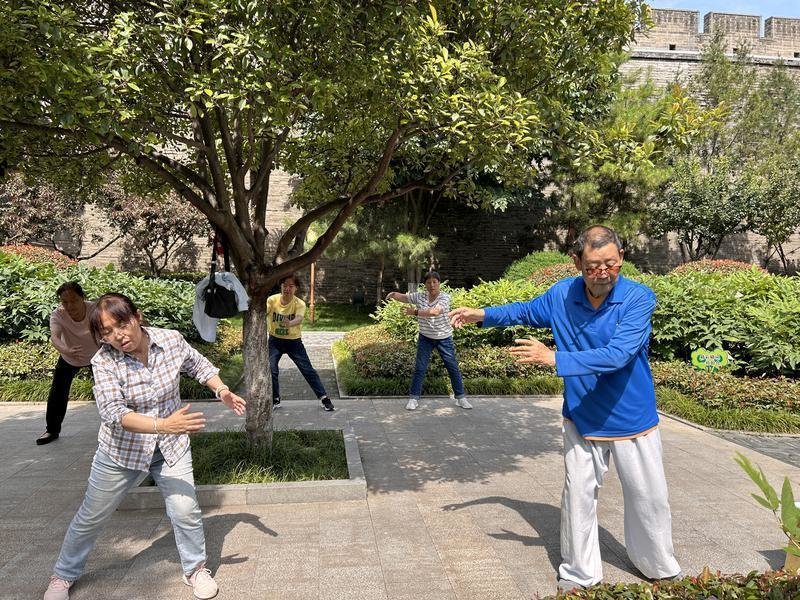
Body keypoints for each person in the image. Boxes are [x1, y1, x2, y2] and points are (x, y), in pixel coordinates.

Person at [450, 225, 682, 592]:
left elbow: (619, 355)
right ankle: (580, 573)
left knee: (647, 499)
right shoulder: (562, 295)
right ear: (576, 261)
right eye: (592, 265)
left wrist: (554, 359)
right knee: (577, 499)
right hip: (582, 416)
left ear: (621, 258)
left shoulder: (639, 298)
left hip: (631, 417)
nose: (602, 272)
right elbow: (526, 310)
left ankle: (658, 565)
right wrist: (482, 314)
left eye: (610, 264)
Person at [43, 293, 246, 600]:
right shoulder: (104, 360)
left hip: (170, 446)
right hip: (121, 451)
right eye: (106, 332)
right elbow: (113, 413)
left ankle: (195, 570)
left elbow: (198, 365)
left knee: (185, 509)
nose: (116, 336)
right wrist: (163, 425)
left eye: (121, 324)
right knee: (91, 515)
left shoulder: (171, 340)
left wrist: (222, 390)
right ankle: (62, 576)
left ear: (136, 316)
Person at [386, 270, 471, 411]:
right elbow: (405, 298)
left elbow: (435, 312)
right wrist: (393, 294)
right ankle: (413, 398)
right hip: (425, 337)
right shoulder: (420, 296)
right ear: (424, 284)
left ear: (439, 283)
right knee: (420, 368)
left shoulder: (445, 297)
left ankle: (461, 398)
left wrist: (414, 312)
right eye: (428, 282)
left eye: (434, 282)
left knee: (452, 368)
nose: (432, 285)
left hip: (444, 338)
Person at [36, 282, 100, 445]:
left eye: (74, 300)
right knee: (58, 392)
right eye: (65, 302)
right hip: (69, 356)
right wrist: (66, 350)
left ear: (82, 298)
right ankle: (52, 430)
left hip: (98, 356)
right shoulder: (58, 315)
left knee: (107, 391)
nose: (70, 306)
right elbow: (55, 337)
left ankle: (119, 428)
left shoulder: (95, 310)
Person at [267, 274, 335, 411]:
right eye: (284, 285)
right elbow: (261, 312)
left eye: (291, 286)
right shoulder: (272, 300)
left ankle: (324, 398)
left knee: (307, 370)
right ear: (280, 286)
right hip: (275, 341)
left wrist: (289, 323)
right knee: (271, 369)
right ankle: (275, 399)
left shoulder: (299, 303)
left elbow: (298, 319)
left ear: (296, 288)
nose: (287, 289)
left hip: (294, 343)